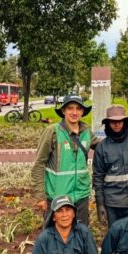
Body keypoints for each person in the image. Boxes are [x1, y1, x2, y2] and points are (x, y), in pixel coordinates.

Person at [32, 94, 95, 230]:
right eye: (70, 108)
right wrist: (40, 196)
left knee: (81, 233)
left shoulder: (87, 131)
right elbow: (39, 164)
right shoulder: (52, 131)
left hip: (81, 195)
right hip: (58, 196)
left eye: (78, 108)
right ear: (63, 111)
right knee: (54, 235)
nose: (74, 112)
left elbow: (104, 146)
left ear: (83, 111)